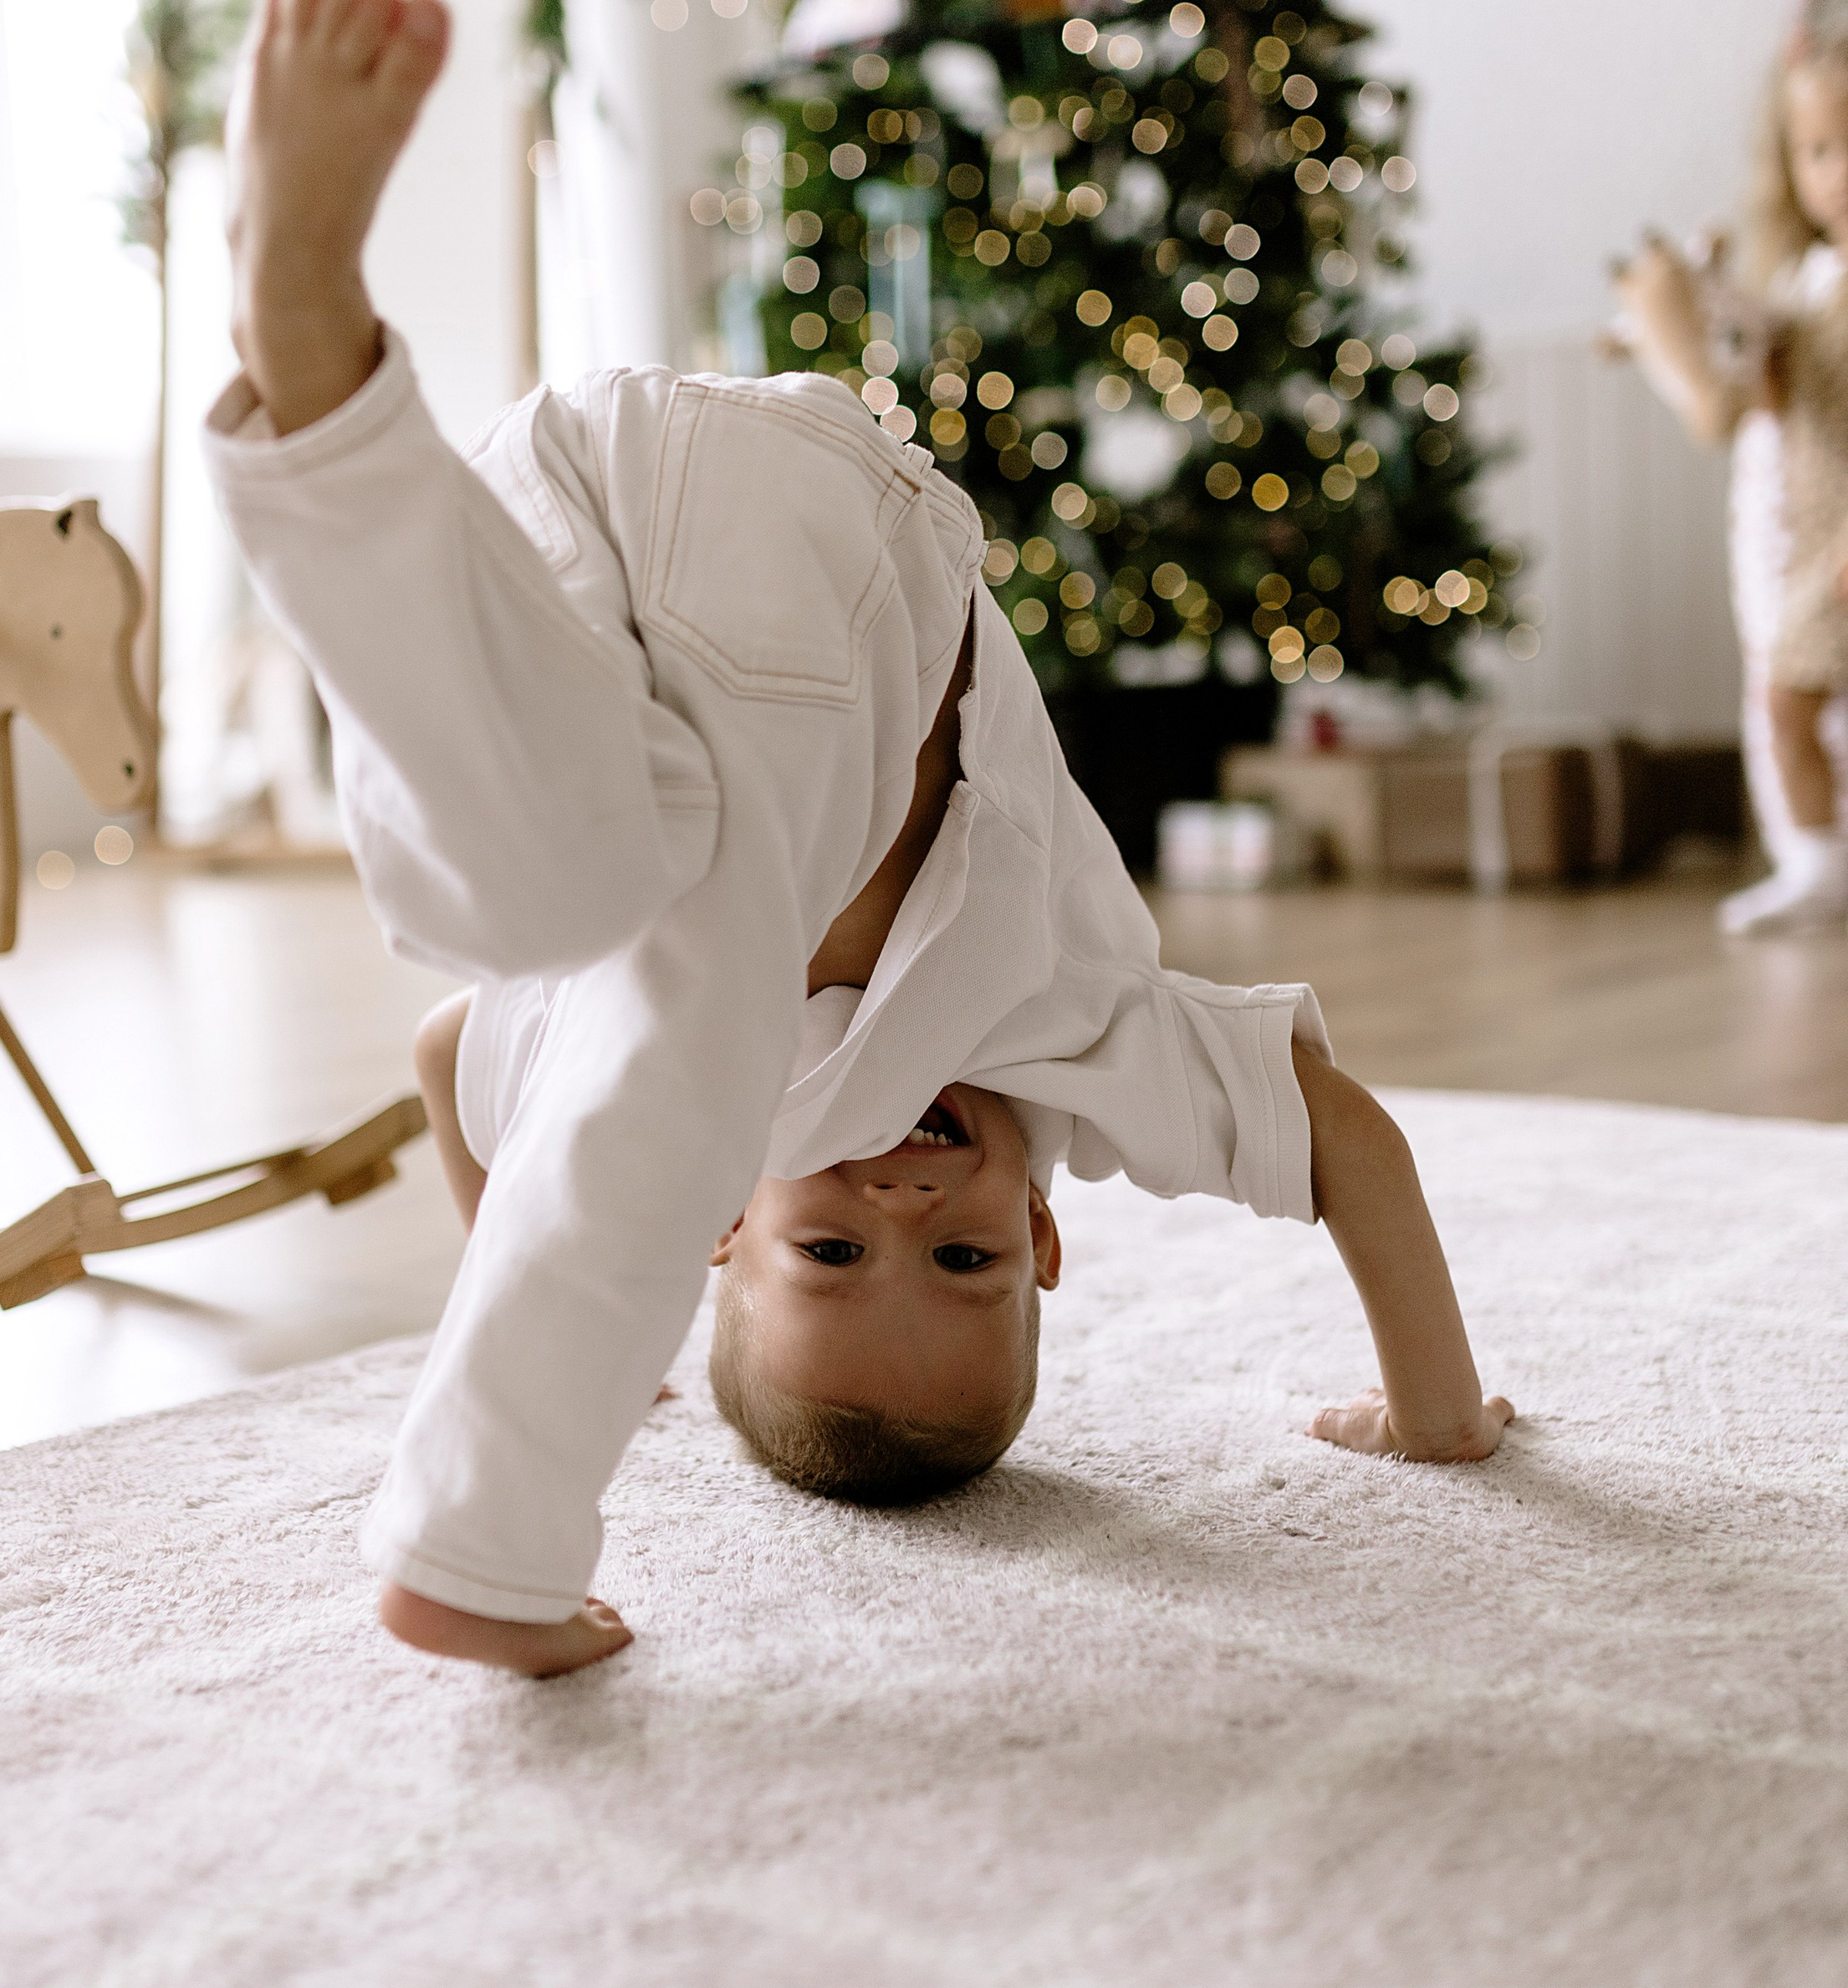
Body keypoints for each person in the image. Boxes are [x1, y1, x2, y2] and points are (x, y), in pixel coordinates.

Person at [210, 0, 1513, 1679]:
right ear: (1041, 1232)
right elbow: (1348, 1146)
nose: (900, 1194)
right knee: (671, 960)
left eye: (831, 1250)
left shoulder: (644, 1101)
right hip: (827, 575)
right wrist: (1436, 1413)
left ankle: (314, 383)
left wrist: (552, 1270)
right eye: (963, 1254)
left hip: (565, 521)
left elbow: (448, 1050)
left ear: (719, 1238)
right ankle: (487, 1536)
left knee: (517, 898)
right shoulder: (1070, 1030)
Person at [1615, 11, 1848, 934]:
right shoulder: (1810, 283)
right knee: (1785, 697)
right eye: (1818, 151)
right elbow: (1761, 379)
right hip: (1812, 541)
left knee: (1795, 694)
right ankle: (1816, 861)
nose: (1838, 173)